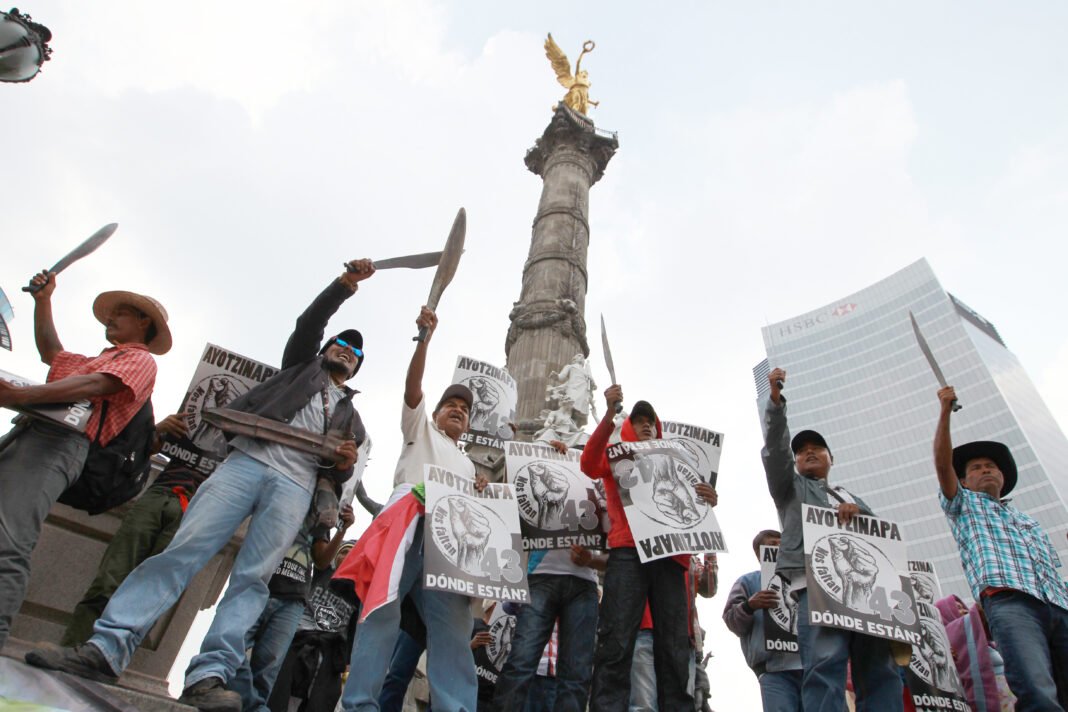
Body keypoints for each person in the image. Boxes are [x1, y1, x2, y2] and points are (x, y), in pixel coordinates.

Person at [27, 260, 374, 712]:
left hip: (296, 485)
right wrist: (344, 285)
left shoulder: (352, 419)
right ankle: (108, 647)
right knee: (184, 550)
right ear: (325, 349)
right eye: (341, 343)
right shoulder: (299, 368)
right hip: (246, 463)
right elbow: (309, 322)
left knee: (253, 579)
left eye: (355, 352)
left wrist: (344, 463)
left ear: (358, 368)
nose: (347, 350)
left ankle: (209, 676)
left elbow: (338, 473)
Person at [0, 271, 168, 650]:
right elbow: (52, 354)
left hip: (60, 443)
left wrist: (20, 395)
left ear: (143, 322)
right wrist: (44, 301)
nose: (110, 319)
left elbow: (97, 385)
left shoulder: (139, 360)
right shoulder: (97, 359)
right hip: (29, 434)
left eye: (120, 313)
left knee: (9, 542)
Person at [334, 305, 485, 712]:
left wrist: (480, 491)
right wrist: (424, 341)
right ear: (434, 413)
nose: (458, 409)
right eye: (451, 405)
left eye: (465, 409)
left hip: (448, 541)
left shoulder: (469, 465)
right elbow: (413, 386)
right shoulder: (420, 428)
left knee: (453, 630)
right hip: (406, 522)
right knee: (381, 612)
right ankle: (360, 705)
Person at [761, 368, 902, 712]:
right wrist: (776, 403)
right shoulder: (789, 488)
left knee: (880, 669)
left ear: (831, 458)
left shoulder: (850, 496)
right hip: (816, 586)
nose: (808, 453)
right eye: (801, 451)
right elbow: (775, 451)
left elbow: (883, 546)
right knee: (825, 663)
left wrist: (860, 515)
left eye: (817, 448)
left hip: (870, 595)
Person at [580, 385, 718, 712]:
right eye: (639, 420)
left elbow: (692, 509)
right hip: (628, 553)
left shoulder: (679, 463)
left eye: (651, 421)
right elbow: (588, 464)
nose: (646, 425)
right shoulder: (617, 455)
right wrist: (609, 416)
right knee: (616, 640)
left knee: (674, 647)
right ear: (629, 426)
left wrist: (709, 499)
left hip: (671, 557)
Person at [933, 384, 1068, 710]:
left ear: (1003, 478)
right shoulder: (964, 505)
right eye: (976, 468)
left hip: (1058, 605)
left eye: (991, 466)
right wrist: (945, 413)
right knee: (1036, 690)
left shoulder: (1029, 521)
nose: (985, 470)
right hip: (1009, 601)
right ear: (963, 481)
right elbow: (942, 466)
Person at [61, 412, 201, 646]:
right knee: (111, 577)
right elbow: (147, 448)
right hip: (161, 491)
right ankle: (73, 646)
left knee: (150, 594)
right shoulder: (196, 412)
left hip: (199, 506)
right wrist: (159, 430)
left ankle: (107, 656)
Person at [230, 502, 355, 711]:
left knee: (310, 701)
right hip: (296, 640)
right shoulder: (324, 574)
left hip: (325, 655)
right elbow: (322, 560)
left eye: (353, 554)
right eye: (344, 552)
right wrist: (342, 528)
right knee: (238, 653)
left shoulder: (358, 593)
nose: (347, 557)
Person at [722, 529, 802, 712]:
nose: (779, 548)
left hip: (810, 663)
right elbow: (731, 622)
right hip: (773, 669)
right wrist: (749, 606)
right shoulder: (747, 582)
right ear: (759, 553)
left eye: (782, 544)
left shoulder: (804, 579)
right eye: (773, 545)